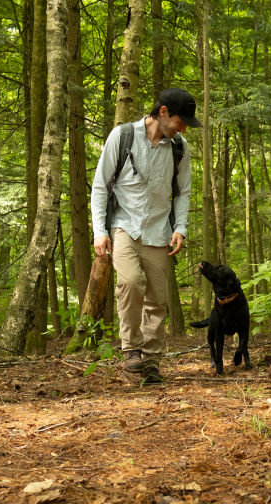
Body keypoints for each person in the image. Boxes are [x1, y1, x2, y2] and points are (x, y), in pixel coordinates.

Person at [90, 88, 201, 384]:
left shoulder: (179, 148)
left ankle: (151, 362)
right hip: (124, 225)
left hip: (159, 230)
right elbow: (100, 185)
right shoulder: (122, 136)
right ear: (163, 112)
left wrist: (181, 227)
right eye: (180, 121)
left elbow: (183, 191)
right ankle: (131, 348)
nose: (183, 128)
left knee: (157, 300)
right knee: (129, 281)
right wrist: (99, 231)